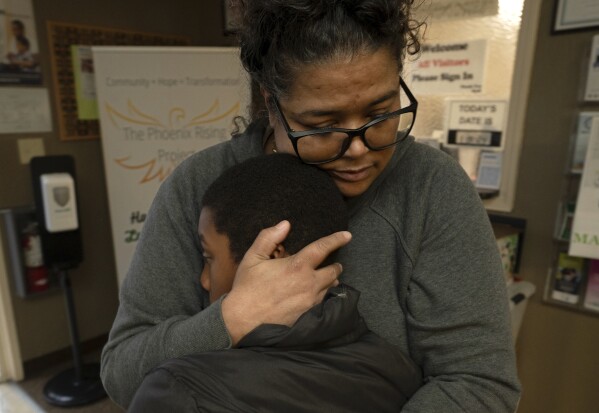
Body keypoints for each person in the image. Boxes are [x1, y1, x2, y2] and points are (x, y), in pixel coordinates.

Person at [101, 1, 521, 411]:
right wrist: (233, 317)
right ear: (271, 104)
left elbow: (479, 383)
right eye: (322, 125)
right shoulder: (197, 186)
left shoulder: (431, 188)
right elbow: (123, 373)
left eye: (381, 112)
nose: (359, 149)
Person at [127, 153, 422, 412]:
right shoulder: (397, 369)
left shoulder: (180, 392)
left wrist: (230, 317)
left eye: (208, 256)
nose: (204, 280)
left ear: (272, 255)